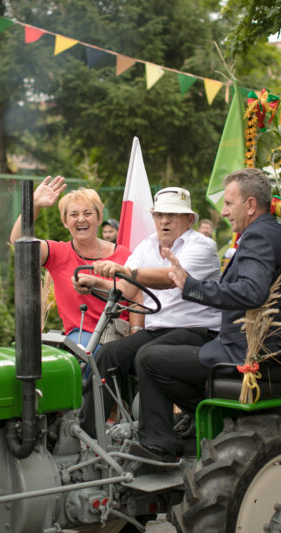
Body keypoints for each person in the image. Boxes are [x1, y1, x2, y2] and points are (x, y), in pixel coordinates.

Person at [134, 168, 281, 460]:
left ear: (250, 205)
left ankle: (161, 445)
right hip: (247, 343)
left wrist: (190, 286)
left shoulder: (259, 237)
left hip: (251, 350)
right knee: (160, 351)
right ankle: (198, 426)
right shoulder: (270, 231)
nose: (225, 211)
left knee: (148, 358)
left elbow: (251, 292)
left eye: (229, 203)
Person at [75, 186, 222, 441]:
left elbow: (172, 278)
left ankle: (157, 444)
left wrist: (125, 271)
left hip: (198, 332)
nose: (164, 221)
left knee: (148, 355)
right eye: (160, 215)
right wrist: (94, 282)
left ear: (189, 219)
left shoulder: (202, 246)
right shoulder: (147, 245)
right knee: (107, 353)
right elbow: (127, 288)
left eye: (172, 215)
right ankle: (87, 437)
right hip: (158, 330)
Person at [9, 176, 131, 351]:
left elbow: (137, 297)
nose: (81, 219)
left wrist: (136, 332)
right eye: (73, 215)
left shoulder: (124, 255)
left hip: (119, 335)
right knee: (85, 351)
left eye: (87, 213)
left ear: (99, 218)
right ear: (65, 222)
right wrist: (34, 205)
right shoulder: (58, 253)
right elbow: (19, 242)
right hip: (80, 335)